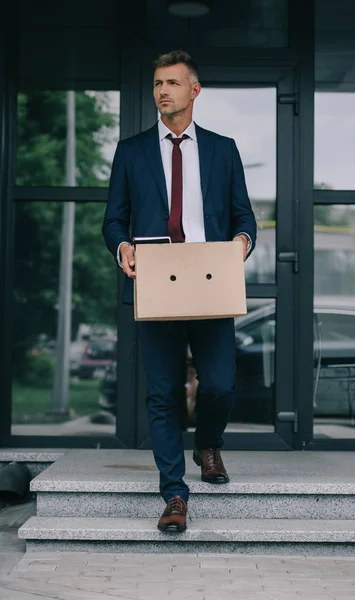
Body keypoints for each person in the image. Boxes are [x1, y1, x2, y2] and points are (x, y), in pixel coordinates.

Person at [102, 50, 257, 533]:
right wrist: (122, 246)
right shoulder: (130, 151)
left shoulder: (222, 149)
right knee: (163, 391)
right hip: (154, 283)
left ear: (194, 90)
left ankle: (208, 444)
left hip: (210, 282)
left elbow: (244, 217)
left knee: (221, 384)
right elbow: (113, 219)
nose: (162, 91)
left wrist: (240, 244)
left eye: (171, 82)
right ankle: (174, 493)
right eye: (156, 84)